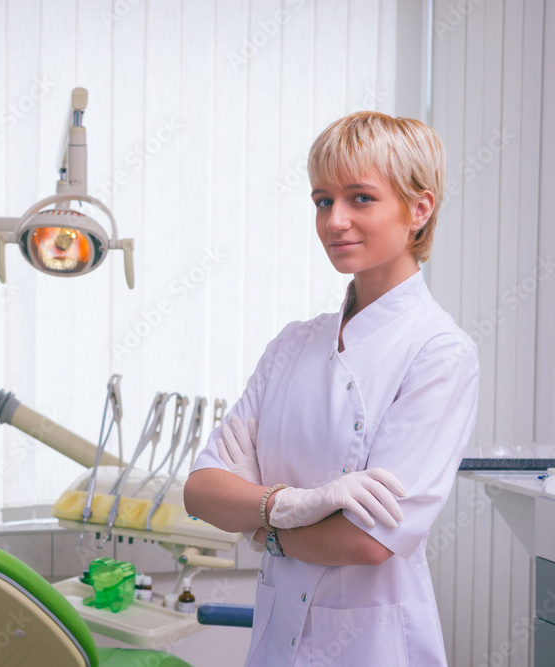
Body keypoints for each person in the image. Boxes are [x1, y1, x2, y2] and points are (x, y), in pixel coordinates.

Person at [184, 111, 479, 666]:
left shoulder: (439, 352)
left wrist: (262, 523)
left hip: (372, 645)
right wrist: (303, 505)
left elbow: (369, 541)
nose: (335, 220)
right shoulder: (293, 346)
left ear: (419, 209)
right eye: (322, 200)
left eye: (360, 198)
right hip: (276, 640)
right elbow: (201, 491)